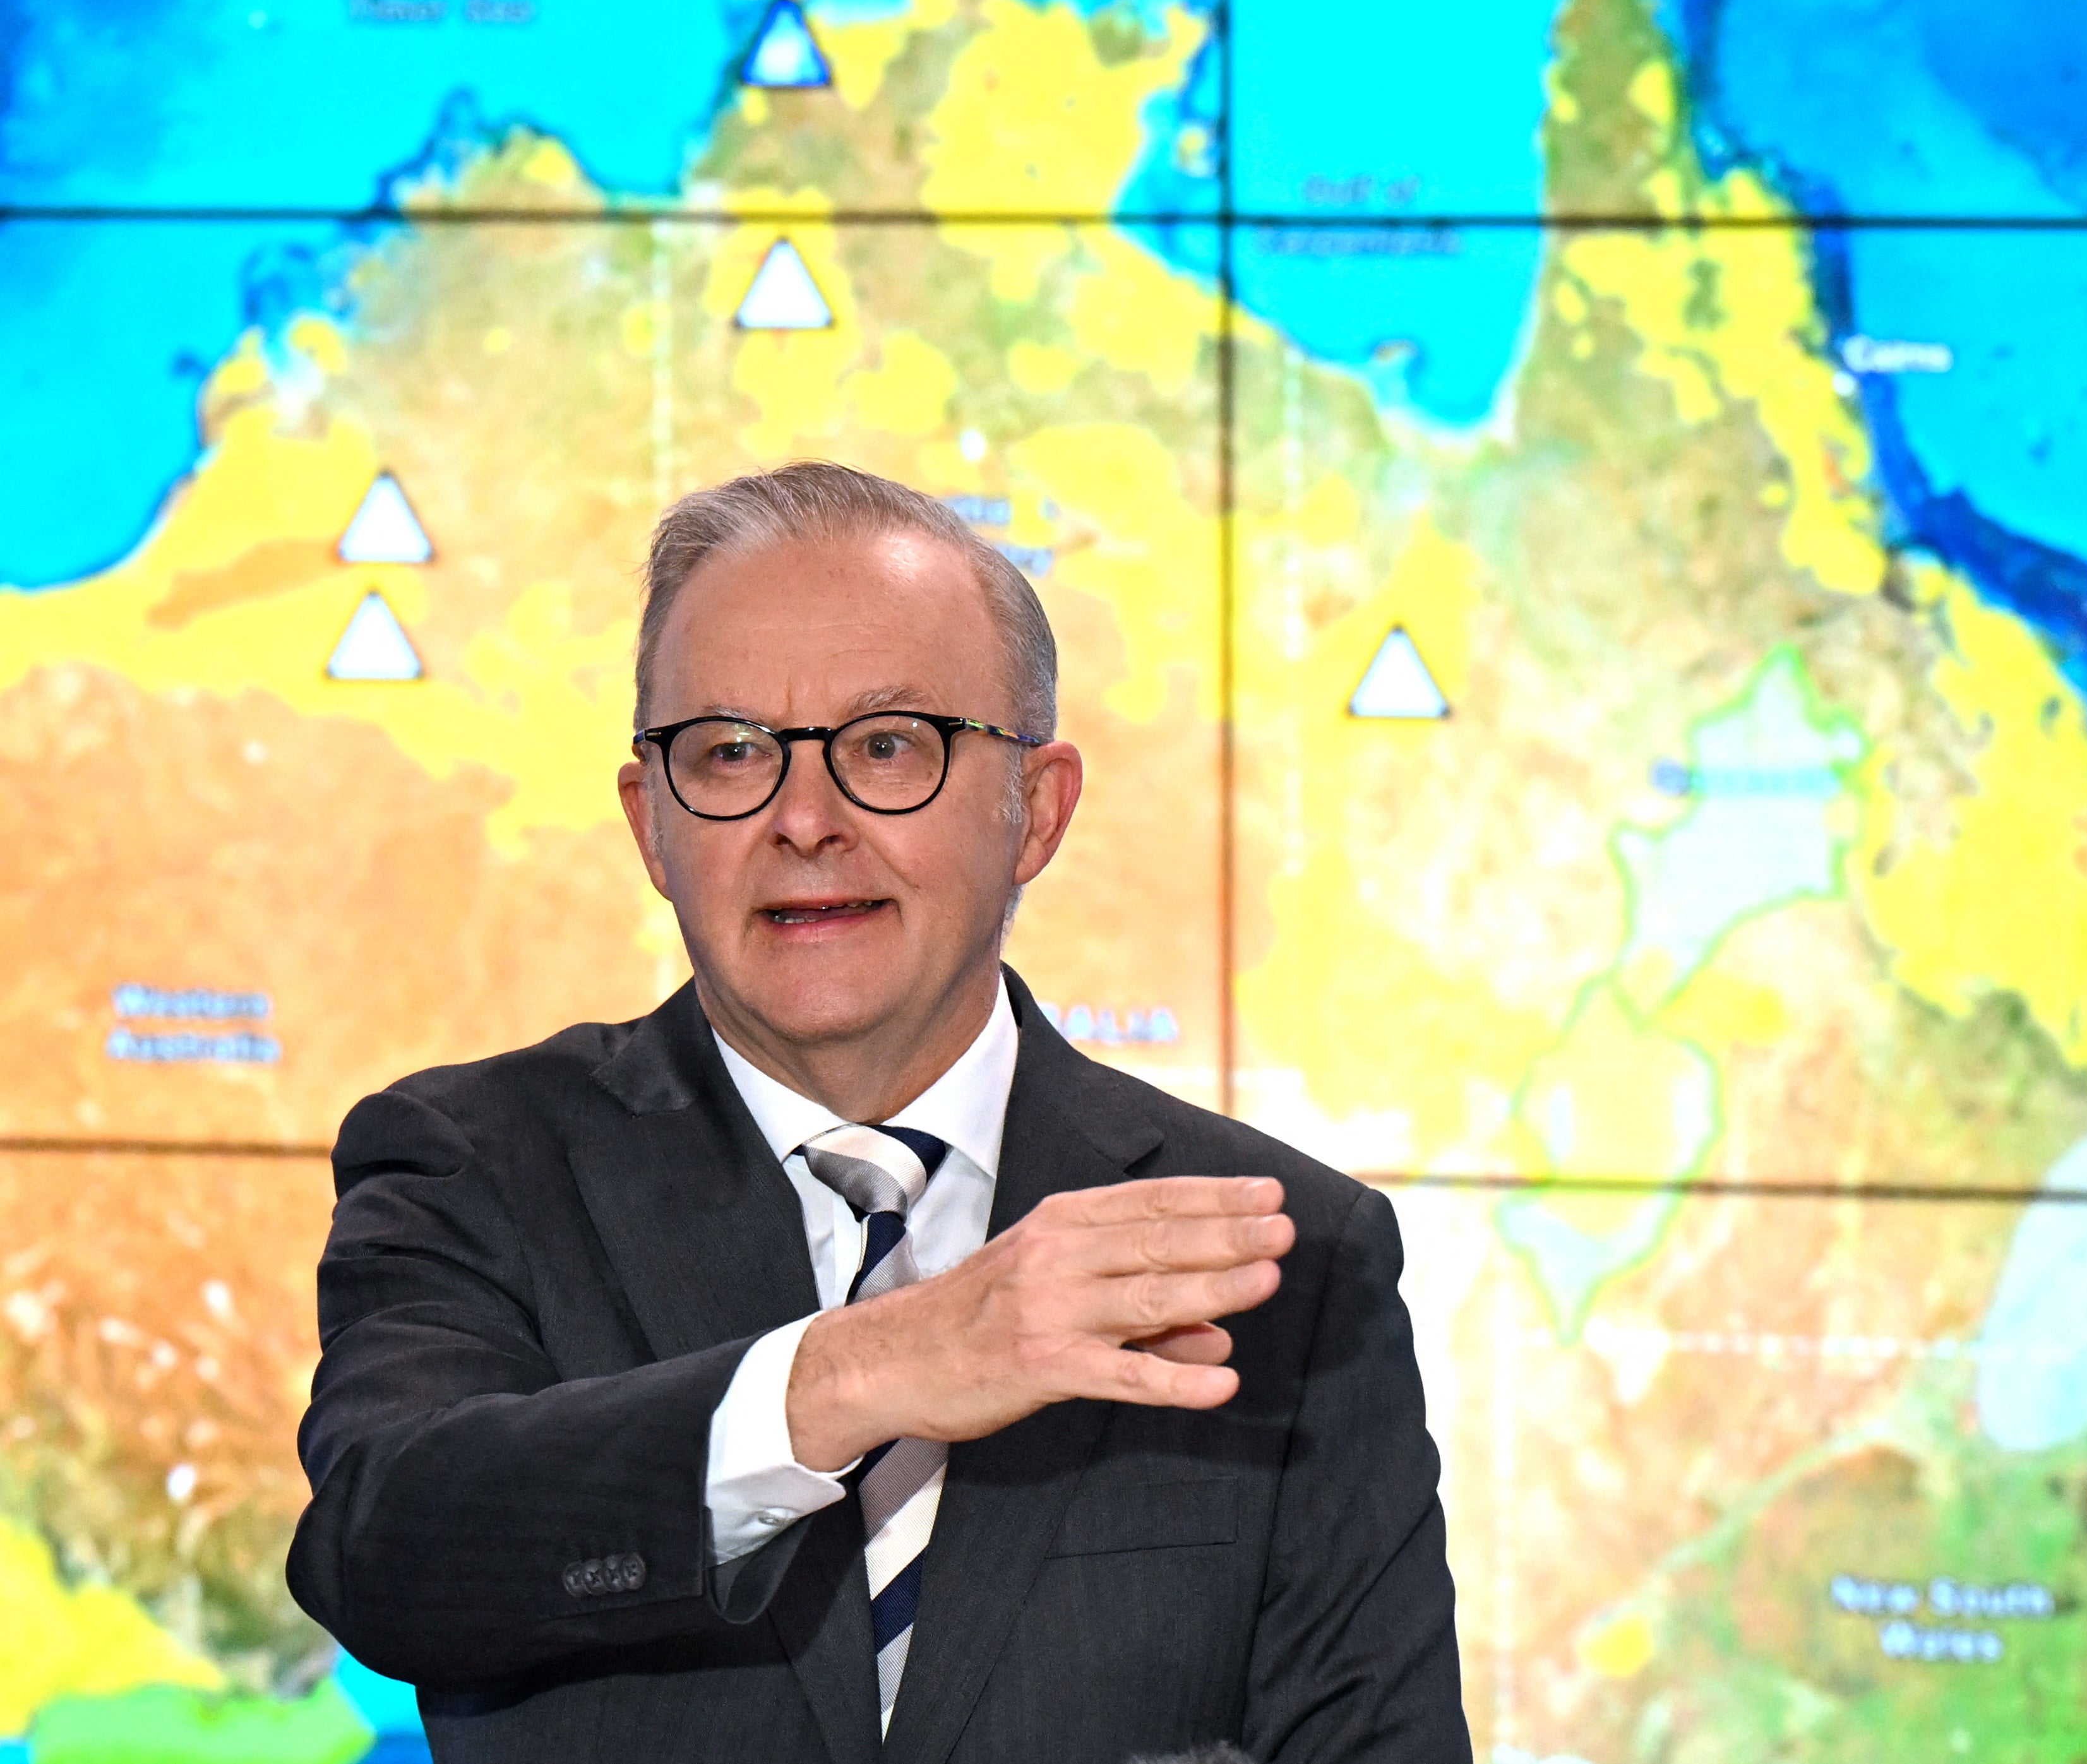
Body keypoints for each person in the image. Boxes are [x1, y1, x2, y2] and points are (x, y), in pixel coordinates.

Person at [287, 462, 1469, 1763]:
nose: (804, 819)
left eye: (890, 746)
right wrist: (868, 1368)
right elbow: (386, 1551)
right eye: (730, 752)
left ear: (1038, 809)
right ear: (651, 823)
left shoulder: (1284, 1255)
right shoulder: (477, 1165)